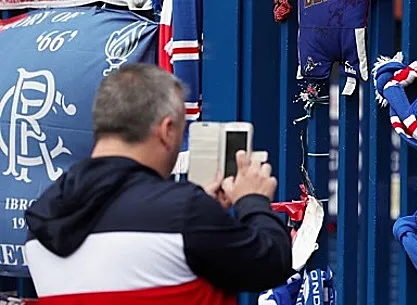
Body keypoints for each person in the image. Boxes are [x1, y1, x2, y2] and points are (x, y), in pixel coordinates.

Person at [24, 64, 293, 305]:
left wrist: (202, 214)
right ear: (166, 130)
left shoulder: (43, 218)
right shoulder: (183, 212)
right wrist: (253, 200)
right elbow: (271, 264)